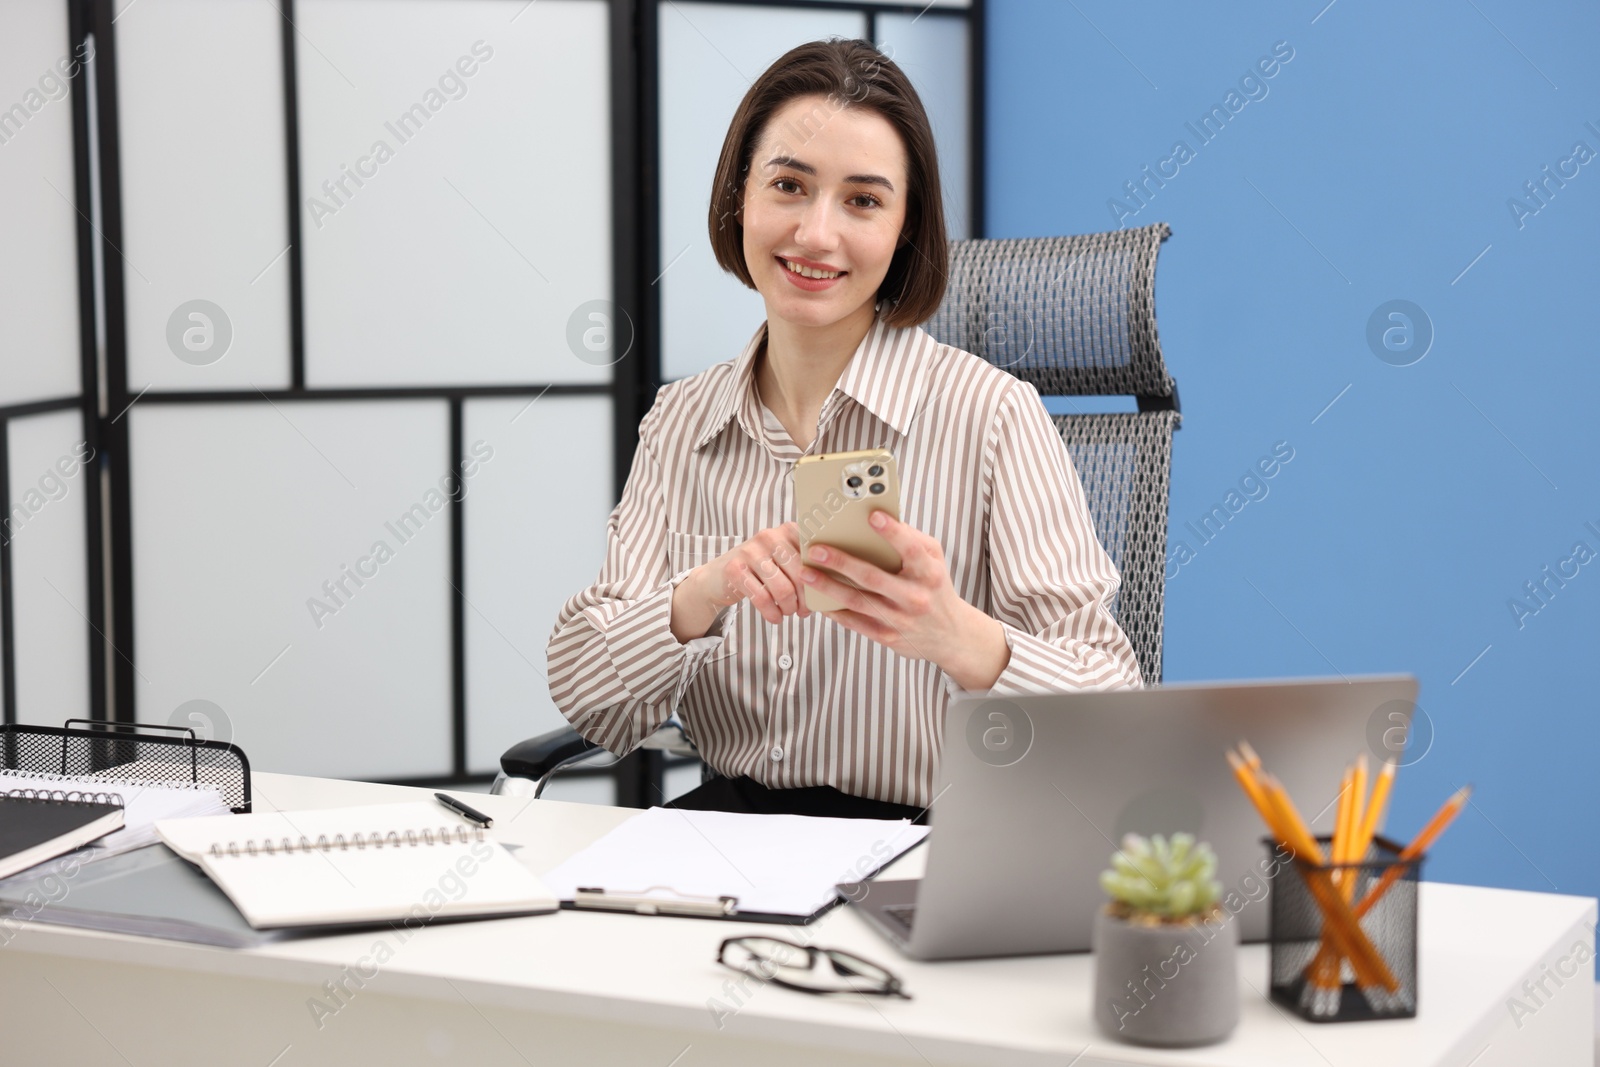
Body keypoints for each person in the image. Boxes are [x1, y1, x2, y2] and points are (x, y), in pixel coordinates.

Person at [547, 38, 1141, 822]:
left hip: (927, 849)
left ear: (905, 230)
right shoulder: (681, 421)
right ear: (740, 199)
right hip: (730, 841)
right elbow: (593, 702)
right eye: (789, 185)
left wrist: (956, 635)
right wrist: (699, 594)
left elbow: (1113, 710)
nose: (816, 235)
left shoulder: (993, 414)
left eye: (863, 201)